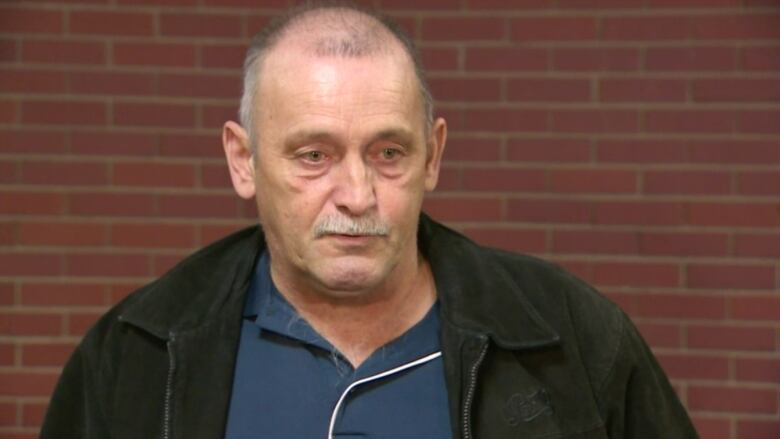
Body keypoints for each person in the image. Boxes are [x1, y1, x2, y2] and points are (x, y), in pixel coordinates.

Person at [41, 3, 698, 438]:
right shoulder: (135, 356)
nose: (356, 193)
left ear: (433, 154)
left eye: (388, 153)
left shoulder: (574, 341)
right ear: (243, 162)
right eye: (314, 155)